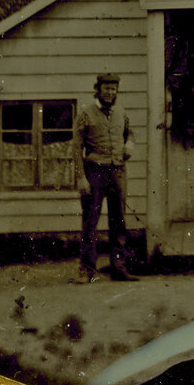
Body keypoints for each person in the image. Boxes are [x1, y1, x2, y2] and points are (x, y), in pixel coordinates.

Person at [74, 72, 136, 282]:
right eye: (106, 89)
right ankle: (87, 270)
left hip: (118, 171)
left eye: (114, 89)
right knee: (90, 222)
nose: (110, 93)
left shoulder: (121, 112)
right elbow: (76, 149)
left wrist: (129, 146)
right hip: (95, 172)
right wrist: (81, 177)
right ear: (98, 90)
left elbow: (130, 133)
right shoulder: (85, 114)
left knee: (119, 221)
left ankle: (118, 267)